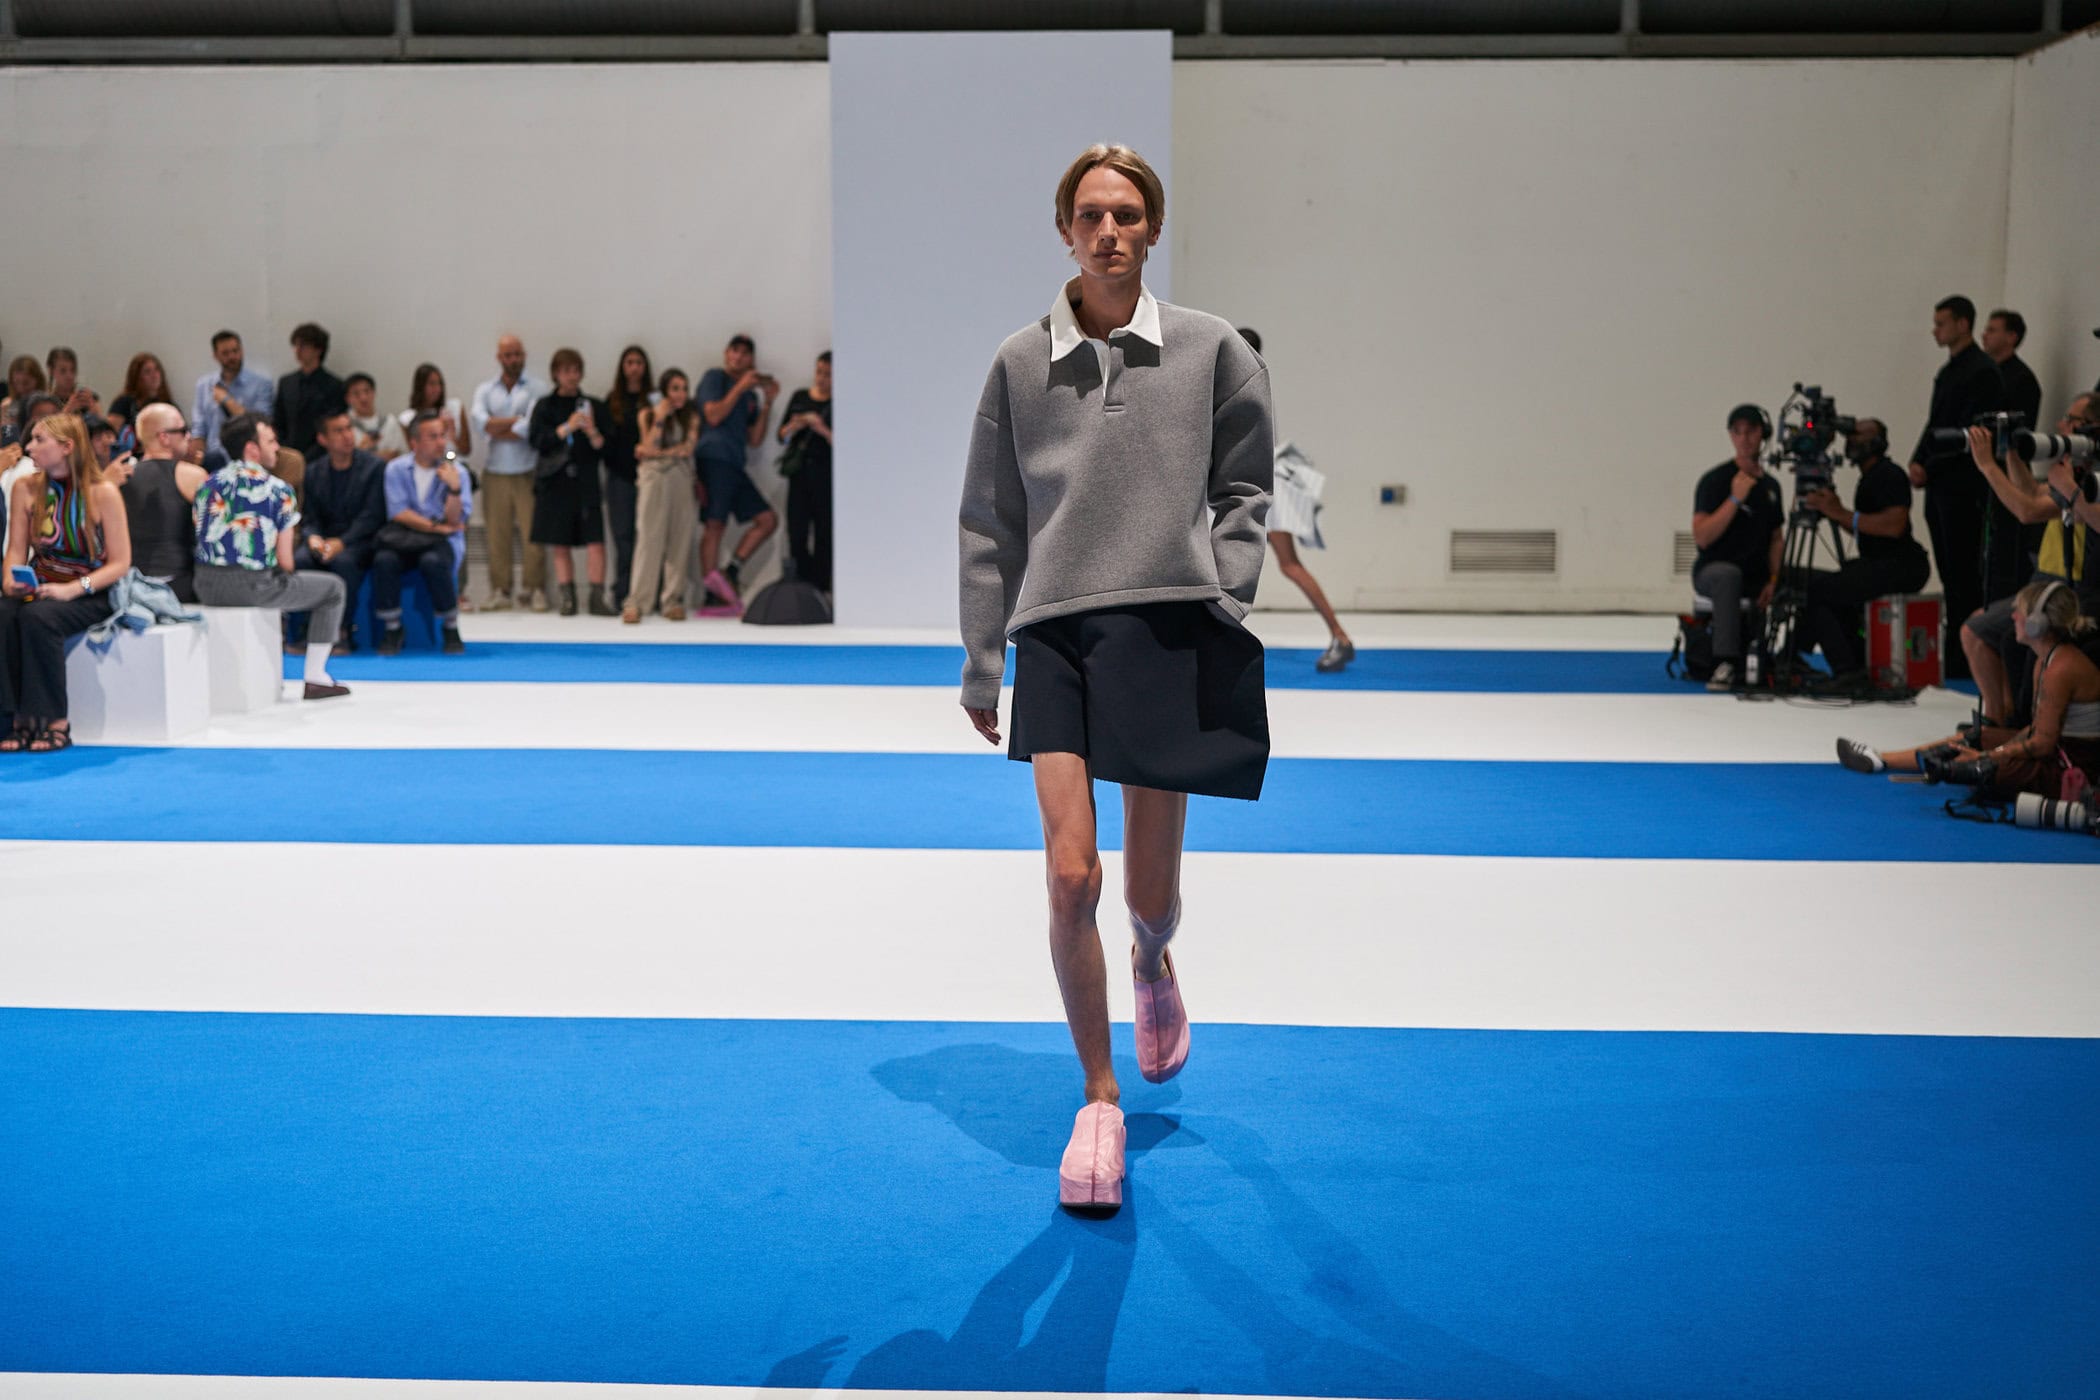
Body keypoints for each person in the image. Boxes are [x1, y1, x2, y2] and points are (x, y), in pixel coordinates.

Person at [959, 144, 1273, 1211]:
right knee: (1069, 877)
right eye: (1090, 214)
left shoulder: (1211, 349)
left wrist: (1224, 596)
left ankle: (1151, 957)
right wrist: (982, 654)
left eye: (1127, 214)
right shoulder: (1018, 364)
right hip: (1053, 632)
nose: (1108, 231)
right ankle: (1099, 1099)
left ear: (1152, 228)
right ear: (1065, 230)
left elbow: (1245, 485)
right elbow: (990, 518)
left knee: (1145, 894)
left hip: (1166, 628)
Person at [1838, 579, 2100, 800]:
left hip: (2072, 765)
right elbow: (2038, 731)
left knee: (1978, 769)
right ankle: (1881, 758)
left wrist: (1988, 757)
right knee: (1977, 737)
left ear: (2036, 623)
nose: (2012, 617)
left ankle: (1952, 764)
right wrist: (1991, 749)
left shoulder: (2060, 669)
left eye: (2019, 612)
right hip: (2059, 752)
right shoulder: (2047, 660)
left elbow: (2043, 744)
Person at [1957, 395, 2100, 726]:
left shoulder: (2088, 477)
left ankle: (2008, 724)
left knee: (1988, 634)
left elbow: (2027, 510)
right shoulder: (2079, 471)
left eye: (2072, 420)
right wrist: (2010, 451)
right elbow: (2032, 494)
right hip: (2053, 578)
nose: (2062, 425)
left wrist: (1987, 466)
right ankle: (2004, 721)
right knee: (1996, 632)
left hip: (2070, 584)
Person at [191, 414, 349, 700]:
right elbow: (285, 560)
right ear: (252, 448)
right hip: (254, 586)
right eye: (272, 441)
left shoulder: (207, 485)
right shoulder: (278, 490)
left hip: (206, 585)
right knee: (333, 589)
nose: (277, 447)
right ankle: (316, 677)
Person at [0, 413, 133, 752]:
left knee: (39, 618)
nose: (29, 447)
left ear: (67, 447)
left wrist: (74, 589)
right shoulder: (25, 487)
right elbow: (16, 550)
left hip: (90, 589)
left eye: (39, 440)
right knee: (4, 612)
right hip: (41, 584)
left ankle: (54, 720)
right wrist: (10, 580)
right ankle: (14, 719)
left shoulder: (103, 492)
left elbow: (120, 563)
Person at [1236, 327, 1353, 672]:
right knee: (1270, 564)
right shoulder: (1254, 380)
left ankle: (1340, 635)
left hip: (1261, 482)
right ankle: (1340, 636)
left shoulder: (1243, 383)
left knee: (1286, 565)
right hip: (1258, 481)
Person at [1907, 296, 2009, 679]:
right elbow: (1935, 423)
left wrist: (1929, 465)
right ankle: (1954, 654)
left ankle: (1966, 657)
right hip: (1940, 485)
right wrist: (1918, 460)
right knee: (1950, 574)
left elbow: (1971, 432)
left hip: (1962, 489)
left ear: (1963, 324)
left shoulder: (1982, 372)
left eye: (1942, 323)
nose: (1935, 330)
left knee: (1963, 573)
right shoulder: (1950, 370)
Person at [1792, 418, 1932, 679]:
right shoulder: (1869, 477)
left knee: (1820, 591)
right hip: (1879, 562)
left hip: (1902, 565)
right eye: (1850, 435)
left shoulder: (1889, 474)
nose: (1851, 440)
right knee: (1830, 589)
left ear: (1877, 442)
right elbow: (1866, 526)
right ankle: (1851, 662)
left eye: (1858, 435)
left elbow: (1894, 525)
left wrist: (1840, 512)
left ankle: (1843, 669)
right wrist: (1833, 511)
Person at [1690, 404, 1786, 691]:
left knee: (1809, 580)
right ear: (1731, 435)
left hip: (1756, 571)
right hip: (1714, 570)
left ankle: (1797, 656)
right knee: (1728, 575)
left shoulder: (1771, 487)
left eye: (1751, 431)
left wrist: (1774, 578)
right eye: (1738, 432)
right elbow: (1702, 537)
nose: (1744, 439)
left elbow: (1776, 538)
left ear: (1762, 435)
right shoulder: (1715, 480)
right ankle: (1725, 661)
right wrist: (1734, 499)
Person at [694, 334, 780, 612]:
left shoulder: (751, 397)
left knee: (767, 520)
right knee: (715, 524)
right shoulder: (714, 378)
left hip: (735, 464)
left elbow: (754, 439)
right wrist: (741, 386)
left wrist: (767, 403)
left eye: (745, 354)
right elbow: (713, 415)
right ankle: (711, 592)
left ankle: (730, 571)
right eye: (735, 351)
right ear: (726, 353)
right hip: (713, 459)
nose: (739, 357)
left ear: (751, 360)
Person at [528, 348, 614, 617]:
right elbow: (537, 440)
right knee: (560, 541)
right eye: (566, 371)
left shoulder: (593, 405)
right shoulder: (545, 406)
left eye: (576, 370)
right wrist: (567, 427)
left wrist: (592, 431)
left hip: (586, 480)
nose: (572, 376)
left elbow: (607, 448)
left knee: (595, 540)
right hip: (556, 481)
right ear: (556, 374)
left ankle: (597, 595)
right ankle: (568, 596)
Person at [375, 412, 469, 656]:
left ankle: (450, 625)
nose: (441, 442)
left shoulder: (458, 472)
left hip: (440, 543)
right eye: (433, 437)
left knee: (433, 561)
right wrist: (436, 527)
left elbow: (454, 521)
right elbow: (399, 513)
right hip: (404, 538)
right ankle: (393, 627)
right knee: (384, 560)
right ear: (414, 442)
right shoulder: (396, 468)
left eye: (442, 436)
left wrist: (454, 489)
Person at [297, 408, 388, 649]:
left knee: (343, 562)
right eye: (338, 431)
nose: (347, 436)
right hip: (325, 539)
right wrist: (313, 537)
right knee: (302, 559)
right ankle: (307, 627)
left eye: (349, 428)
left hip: (360, 540)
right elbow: (309, 516)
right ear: (323, 439)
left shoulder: (374, 467)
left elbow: (372, 516)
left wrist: (342, 542)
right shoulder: (314, 471)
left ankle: (341, 629)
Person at [470, 335, 546, 611]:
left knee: (533, 535)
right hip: (495, 471)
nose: (514, 360)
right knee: (496, 535)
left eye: (518, 354)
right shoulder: (485, 390)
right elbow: (481, 424)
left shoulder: (538, 388)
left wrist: (497, 427)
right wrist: (514, 423)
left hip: (528, 470)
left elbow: (531, 428)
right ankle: (500, 590)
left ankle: (534, 588)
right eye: (508, 355)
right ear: (499, 358)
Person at [110, 403, 208, 603]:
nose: (189, 436)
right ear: (164, 437)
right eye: (183, 430)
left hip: (129, 586)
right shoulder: (193, 476)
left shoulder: (117, 478)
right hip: (179, 586)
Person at [627, 368, 699, 624]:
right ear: (665, 391)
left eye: (684, 389)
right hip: (653, 478)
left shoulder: (691, 417)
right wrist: (660, 418)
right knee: (648, 538)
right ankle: (637, 601)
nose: (681, 394)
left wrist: (655, 452)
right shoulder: (647, 414)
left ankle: (672, 600)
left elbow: (687, 448)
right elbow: (649, 445)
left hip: (680, 477)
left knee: (679, 539)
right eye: (675, 389)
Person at [601, 345, 653, 611]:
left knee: (649, 537)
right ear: (622, 367)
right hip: (620, 477)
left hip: (650, 477)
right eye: (629, 362)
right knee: (623, 537)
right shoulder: (612, 401)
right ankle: (622, 592)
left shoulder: (653, 400)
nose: (634, 368)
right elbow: (606, 443)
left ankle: (648, 593)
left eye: (639, 363)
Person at [778, 350, 833, 594]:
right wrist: (794, 425)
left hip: (826, 474)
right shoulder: (800, 397)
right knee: (796, 531)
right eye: (819, 372)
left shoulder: (839, 403)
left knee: (824, 532)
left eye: (828, 374)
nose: (822, 379)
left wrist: (821, 428)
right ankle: (801, 584)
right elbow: (781, 436)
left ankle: (821, 587)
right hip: (799, 474)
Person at [191, 329, 275, 461]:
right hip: (212, 455)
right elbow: (198, 428)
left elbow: (259, 426)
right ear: (215, 356)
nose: (232, 357)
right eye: (225, 353)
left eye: (235, 351)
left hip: (247, 456)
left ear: (242, 351)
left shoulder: (261, 384)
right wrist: (197, 458)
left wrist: (227, 400)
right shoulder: (204, 385)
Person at [272, 322, 347, 459]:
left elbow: (332, 425)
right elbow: (278, 421)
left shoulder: (334, 385)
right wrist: (284, 448)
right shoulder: (286, 382)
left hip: (321, 455)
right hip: (287, 453)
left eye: (303, 346)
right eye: (296, 345)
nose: (298, 350)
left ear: (318, 350)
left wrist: (309, 456)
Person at [393, 362, 470, 462]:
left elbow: (466, 450)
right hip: (427, 467)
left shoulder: (455, 407)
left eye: (439, 383)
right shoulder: (407, 418)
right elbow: (415, 454)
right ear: (420, 387)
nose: (437, 389)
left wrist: (452, 434)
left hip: (455, 463)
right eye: (432, 384)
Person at [107, 352, 177, 449]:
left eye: (157, 370)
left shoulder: (167, 406)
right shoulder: (124, 403)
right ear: (136, 377)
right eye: (147, 372)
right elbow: (109, 435)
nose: (154, 376)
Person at [343, 373, 389, 456]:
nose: (363, 398)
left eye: (367, 391)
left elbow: (400, 454)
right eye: (356, 394)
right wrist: (361, 450)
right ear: (347, 398)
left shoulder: (389, 422)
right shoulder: (342, 426)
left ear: (374, 393)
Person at [46, 347, 99, 419]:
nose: (69, 376)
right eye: (63, 371)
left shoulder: (86, 397)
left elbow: (105, 424)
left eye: (73, 370)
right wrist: (67, 410)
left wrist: (94, 409)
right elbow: (46, 425)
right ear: (51, 371)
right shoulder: (46, 402)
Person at [1, 354, 46, 423]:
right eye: (16, 382)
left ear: (38, 380)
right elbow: (4, 428)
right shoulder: (7, 404)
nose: (21, 388)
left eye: (26, 383)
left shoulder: (47, 404)